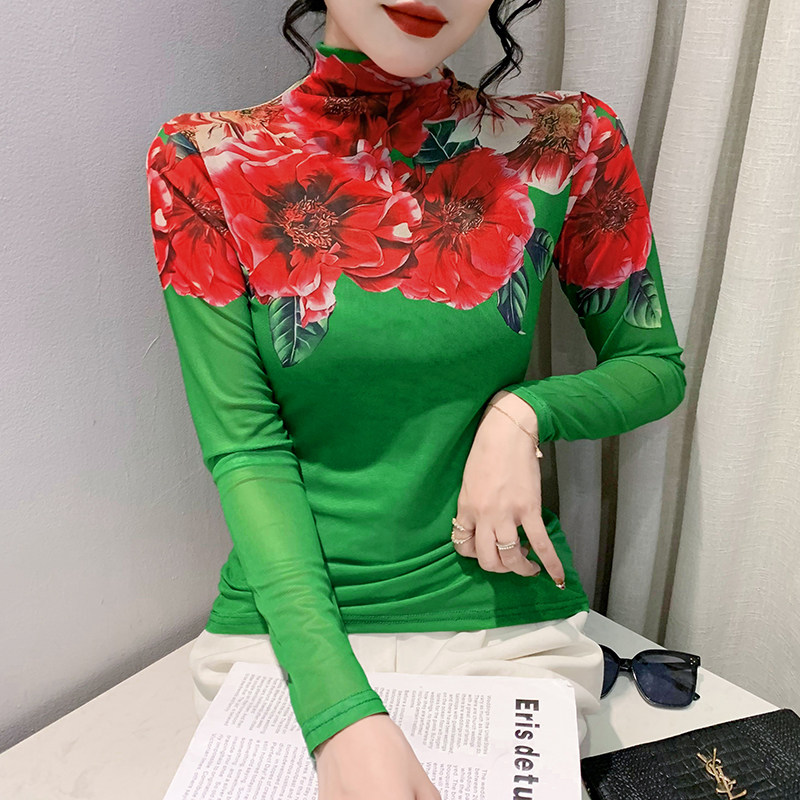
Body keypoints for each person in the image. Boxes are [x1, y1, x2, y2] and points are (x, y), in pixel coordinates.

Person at [145, 0, 687, 797]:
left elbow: (653, 364)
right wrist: (338, 713)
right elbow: (246, 448)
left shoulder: (566, 142)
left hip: (504, 624)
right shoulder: (203, 160)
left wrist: (526, 413)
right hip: (288, 631)